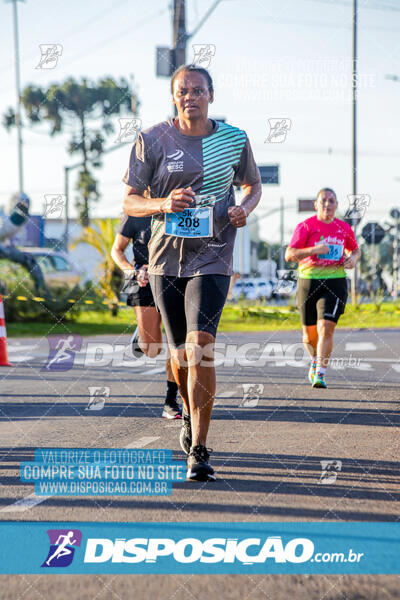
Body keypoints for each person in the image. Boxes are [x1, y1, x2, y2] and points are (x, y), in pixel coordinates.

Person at [123, 64, 262, 481]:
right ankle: (186, 412)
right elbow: (130, 202)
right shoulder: (151, 140)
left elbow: (253, 185)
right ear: (174, 97)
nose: (190, 97)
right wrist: (163, 203)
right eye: (183, 91)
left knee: (201, 343)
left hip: (214, 255)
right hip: (166, 259)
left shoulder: (234, 139)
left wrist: (243, 209)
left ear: (211, 96)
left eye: (198, 90)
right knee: (180, 354)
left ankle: (200, 448)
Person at [285, 188, 360, 388]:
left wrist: (353, 258)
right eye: (323, 201)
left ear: (336, 205)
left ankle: (320, 373)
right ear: (316, 204)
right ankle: (315, 360)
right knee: (308, 336)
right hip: (308, 282)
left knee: (326, 328)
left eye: (331, 201)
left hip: (335, 282)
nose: (327, 204)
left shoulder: (343, 228)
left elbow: (355, 249)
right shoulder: (306, 226)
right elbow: (289, 254)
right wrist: (314, 250)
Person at [111, 214, 181, 419]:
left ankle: (171, 401)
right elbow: (116, 250)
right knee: (152, 349)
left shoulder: (178, 208)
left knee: (176, 344)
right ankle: (143, 334)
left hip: (173, 279)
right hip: (141, 281)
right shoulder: (134, 214)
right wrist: (132, 271)